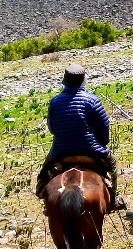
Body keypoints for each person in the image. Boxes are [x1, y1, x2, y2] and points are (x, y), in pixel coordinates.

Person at [35, 64, 123, 209]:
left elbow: (52, 128)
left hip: (61, 152)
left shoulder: (55, 102)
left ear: (65, 81)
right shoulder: (93, 100)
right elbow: (104, 129)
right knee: (113, 166)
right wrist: (103, 143)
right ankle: (113, 198)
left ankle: (40, 190)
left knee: (44, 171)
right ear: (83, 80)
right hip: (91, 150)